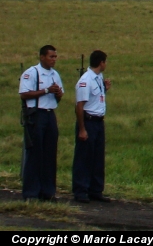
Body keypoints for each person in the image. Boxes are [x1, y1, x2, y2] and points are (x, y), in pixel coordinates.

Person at [19, 45, 64, 201]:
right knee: (35, 154)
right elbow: (24, 94)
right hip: (36, 114)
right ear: (42, 57)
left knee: (49, 154)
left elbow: (59, 97)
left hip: (50, 114)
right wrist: (46, 91)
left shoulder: (55, 75)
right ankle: (31, 192)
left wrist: (58, 94)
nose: (54, 60)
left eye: (55, 57)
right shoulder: (32, 73)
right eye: (51, 56)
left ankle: (47, 191)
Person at [73, 50, 111, 203]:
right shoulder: (86, 80)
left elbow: (96, 98)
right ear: (101, 62)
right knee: (84, 157)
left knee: (97, 157)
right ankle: (80, 190)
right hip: (88, 121)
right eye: (105, 62)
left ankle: (95, 189)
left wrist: (105, 89)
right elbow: (79, 106)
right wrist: (82, 129)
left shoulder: (98, 78)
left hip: (98, 121)